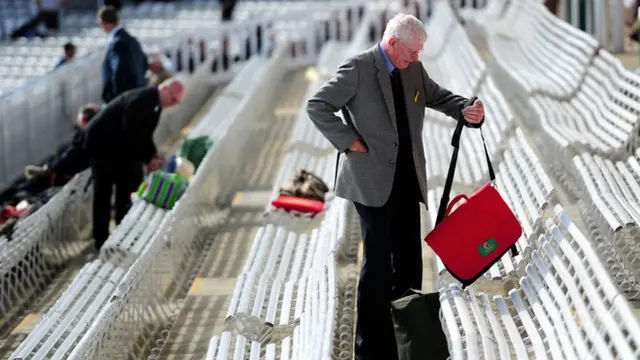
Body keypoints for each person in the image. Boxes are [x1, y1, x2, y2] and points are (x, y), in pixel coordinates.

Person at [306, 14, 485, 360]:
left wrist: (466, 109)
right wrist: (349, 141)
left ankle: (407, 344)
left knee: (409, 263)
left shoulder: (413, 70)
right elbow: (318, 106)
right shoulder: (358, 68)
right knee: (377, 265)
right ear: (393, 44)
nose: (417, 58)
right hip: (370, 181)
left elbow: (440, 97)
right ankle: (371, 350)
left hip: (407, 179)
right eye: (413, 51)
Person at [83, 78, 184, 251]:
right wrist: (148, 159)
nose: (174, 104)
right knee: (104, 191)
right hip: (102, 144)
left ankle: (123, 231)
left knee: (127, 185)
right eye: (173, 99)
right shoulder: (143, 100)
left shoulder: (155, 104)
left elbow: (145, 135)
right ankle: (101, 240)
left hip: (117, 145)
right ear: (164, 89)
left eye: (177, 102)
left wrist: (153, 154)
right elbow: (132, 133)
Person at [98, 6, 149, 103]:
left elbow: (118, 73)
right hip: (137, 95)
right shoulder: (133, 40)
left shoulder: (118, 43)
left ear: (103, 23)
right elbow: (145, 63)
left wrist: (116, 100)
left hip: (124, 101)